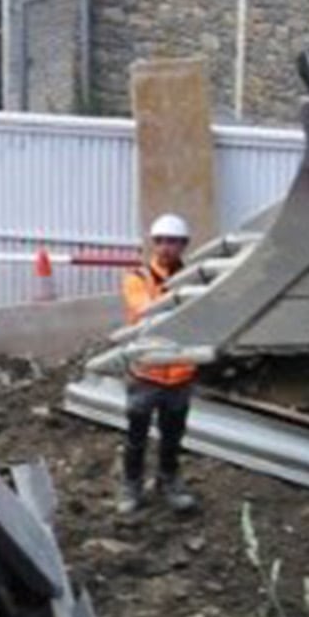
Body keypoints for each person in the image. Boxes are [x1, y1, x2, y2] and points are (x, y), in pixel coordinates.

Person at [116, 211, 199, 518]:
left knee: (173, 436)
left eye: (174, 242)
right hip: (146, 373)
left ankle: (169, 481)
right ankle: (131, 484)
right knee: (136, 437)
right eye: (162, 241)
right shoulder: (137, 278)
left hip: (180, 374)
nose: (167, 247)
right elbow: (145, 311)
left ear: (184, 245)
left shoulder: (194, 278)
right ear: (154, 243)